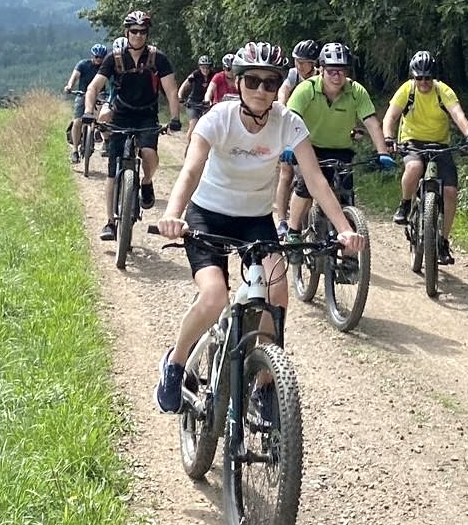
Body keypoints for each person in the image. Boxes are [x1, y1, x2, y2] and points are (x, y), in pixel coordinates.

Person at [154, 42, 366, 413]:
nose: (261, 90)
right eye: (252, 81)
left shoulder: (288, 122)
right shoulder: (218, 118)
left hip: (254, 219)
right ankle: (175, 363)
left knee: (277, 293)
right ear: (238, 82)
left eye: (270, 83)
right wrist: (174, 213)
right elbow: (191, 169)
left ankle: (266, 383)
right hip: (208, 214)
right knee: (214, 297)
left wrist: (343, 228)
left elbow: (315, 179)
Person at [85, 9, 182, 242]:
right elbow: (94, 87)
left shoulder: (158, 59)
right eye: (134, 31)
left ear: (147, 33)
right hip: (121, 115)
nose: (139, 35)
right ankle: (110, 222)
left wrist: (175, 118)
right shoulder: (114, 58)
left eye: (143, 31)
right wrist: (88, 111)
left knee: (149, 154)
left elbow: (171, 90)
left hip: (147, 115)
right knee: (112, 172)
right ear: (127, 32)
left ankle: (146, 182)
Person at [381, 49, 468, 263]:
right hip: (411, 140)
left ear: (434, 76)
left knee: (450, 191)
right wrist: (389, 138)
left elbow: (457, 114)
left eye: (427, 78)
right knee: (414, 167)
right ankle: (405, 204)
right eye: (419, 78)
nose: (424, 82)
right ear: (413, 77)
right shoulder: (407, 90)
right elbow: (390, 116)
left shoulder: (442, 91)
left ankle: (443, 242)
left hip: (439, 144)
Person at [284, 41, 394, 236]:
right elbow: (290, 119)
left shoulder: (356, 91)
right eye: (332, 71)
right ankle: (293, 230)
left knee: (345, 195)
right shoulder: (306, 89)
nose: (337, 76)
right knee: (305, 187)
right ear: (321, 69)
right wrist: (289, 146)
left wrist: (382, 152)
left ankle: (349, 247)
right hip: (310, 148)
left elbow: (371, 122)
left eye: (342, 71)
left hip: (341, 149)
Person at [273, 39, 321, 234]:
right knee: (286, 173)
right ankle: (282, 221)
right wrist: (282, 108)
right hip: (291, 129)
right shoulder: (294, 75)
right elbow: (283, 91)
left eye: (303, 62)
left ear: (314, 63)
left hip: (314, 131)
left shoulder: (323, 77)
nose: (299, 65)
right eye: (297, 61)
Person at [63, 43, 109, 162]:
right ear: (92, 56)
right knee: (77, 121)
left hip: (100, 95)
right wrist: (69, 86)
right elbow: (74, 77)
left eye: (101, 57)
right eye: (96, 57)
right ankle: (75, 150)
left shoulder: (105, 67)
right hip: (82, 94)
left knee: (102, 117)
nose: (99, 59)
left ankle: (104, 139)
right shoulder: (83, 64)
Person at [177, 55, 215, 139]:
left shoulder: (214, 76)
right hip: (193, 103)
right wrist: (180, 96)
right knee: (194, 124)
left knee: (208, 126)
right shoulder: (195, 74)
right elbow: (184, 86)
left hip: (206, 104)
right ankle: (188, 144)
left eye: (207, 67)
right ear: (199, 67)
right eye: (203, 67)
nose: (205, 70)